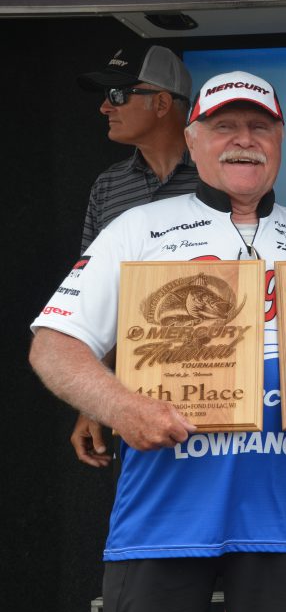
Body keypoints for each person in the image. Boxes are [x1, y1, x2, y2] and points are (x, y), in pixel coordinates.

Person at [30, 71, 286, 612]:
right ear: (193, 140)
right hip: (163, 521)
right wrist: (121, 407)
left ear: (280, 141)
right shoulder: (135, 230)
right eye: (224, 126)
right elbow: (53, 345)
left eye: (260, 127)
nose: (244, 139)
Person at [71, 43, 200, 468]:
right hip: (137, 401)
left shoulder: (223, 177)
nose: (105, 107)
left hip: (226, 387)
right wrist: (94, 401)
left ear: (161, 103)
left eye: (118, 94)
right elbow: (96, 301)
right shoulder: (108, 187)